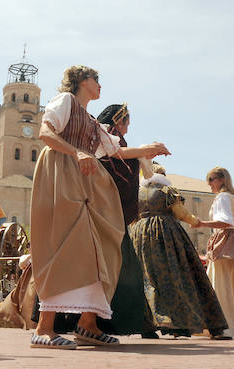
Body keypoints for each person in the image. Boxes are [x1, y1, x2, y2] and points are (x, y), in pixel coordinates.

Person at [29, 65, 169, 349]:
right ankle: (44, 328)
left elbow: (114, 151)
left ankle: (88, 324)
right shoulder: (65, 101)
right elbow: (45, 132)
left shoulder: (92, 121)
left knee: (102, 248)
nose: (100, 85)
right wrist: (77, 151)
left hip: (86, 181)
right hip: (62, 173)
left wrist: (149, 149)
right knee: (65, 244)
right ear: (81, 81)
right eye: (95, 79)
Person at [49, 103, 170, 338]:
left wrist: (144, 151)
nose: (128, 127)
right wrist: (145, 150)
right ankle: (82, 322)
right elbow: (114, 160)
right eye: (126, 122)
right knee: (107, 267)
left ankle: (89, 322)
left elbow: (127, 160)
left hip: (104, 213)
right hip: (99, 211)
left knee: (107, 268)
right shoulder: (101, 135)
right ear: (118, 121)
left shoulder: (109, 138)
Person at [130, 163, 230, 340]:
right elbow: (181, 213)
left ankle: (146, 326)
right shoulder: (167, 190)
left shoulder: (136, 193)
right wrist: (196, 221)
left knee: (147, 278)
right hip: (165, 235)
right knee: (180, 275)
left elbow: (132, 216)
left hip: (139, 235)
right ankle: (181, 325)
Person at [195, 167, 234, 338]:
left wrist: (202, 224)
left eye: (211, 179)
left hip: (226, 240)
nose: (209, 184)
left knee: (220, 284)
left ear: (221, 179)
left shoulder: (222, 197)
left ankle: (221, 326)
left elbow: (225, 222)